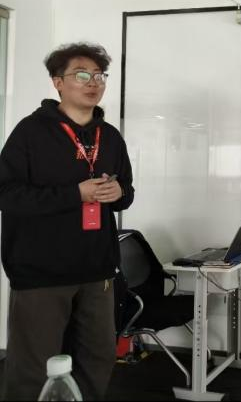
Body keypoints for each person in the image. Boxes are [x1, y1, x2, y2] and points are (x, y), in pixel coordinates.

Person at [0, 42, 134, 400]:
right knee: (33, 368)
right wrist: (75, 194)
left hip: (97, 270)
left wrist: (118, 192)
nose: (93, 83)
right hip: (41, 272)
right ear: (58, 82)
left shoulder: (110, 137)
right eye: (82, 75)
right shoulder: (30, 132)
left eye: (99, 75)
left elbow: (127, 192)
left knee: (98, 357)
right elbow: (6, 194)